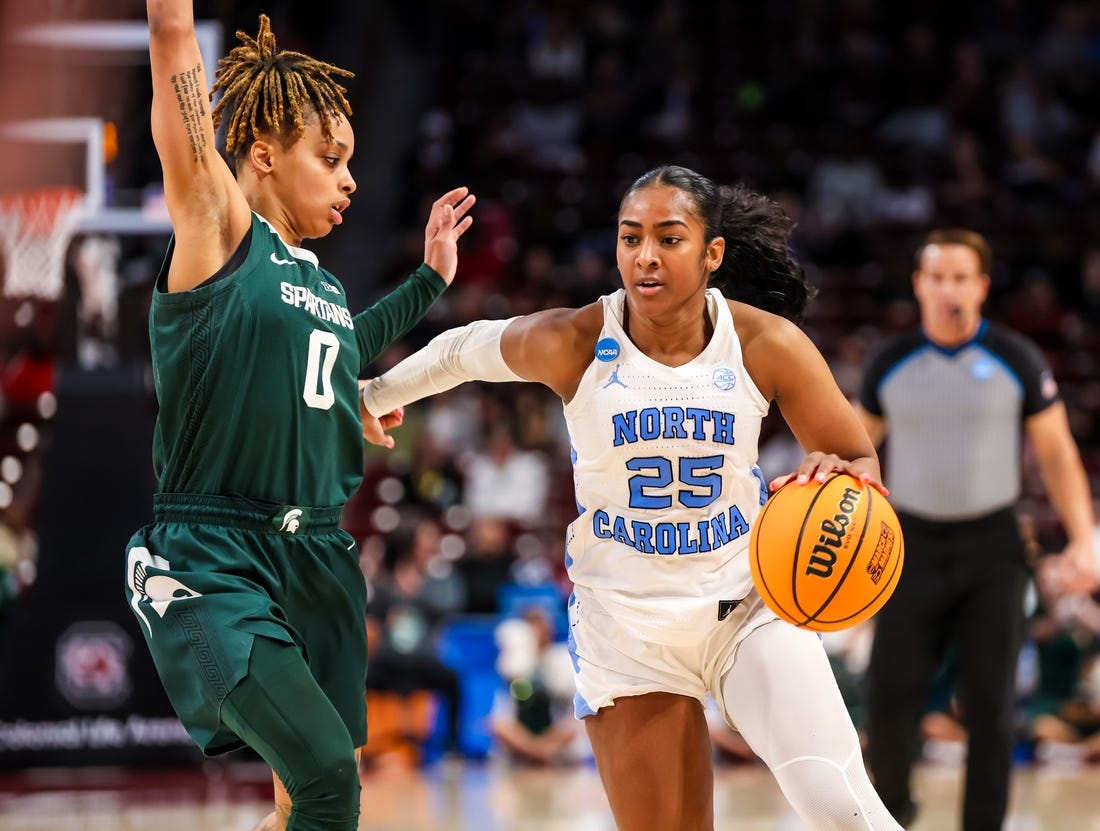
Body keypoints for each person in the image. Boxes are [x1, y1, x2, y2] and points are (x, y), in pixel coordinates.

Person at [361, 164, 904, 830]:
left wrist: (839, 471)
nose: (644, 256)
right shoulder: (580, 341)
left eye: (668, 238)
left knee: (843, 808)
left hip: (746, 606)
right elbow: (461, 350)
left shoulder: (766, 343)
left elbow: (858, 458)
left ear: (713, 253)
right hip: (627, 628)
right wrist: (371, 397)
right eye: (630, 237)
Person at [124, 6, 474, 831]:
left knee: (303, 798)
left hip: (315, 554)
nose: (348, 178)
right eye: (331, 157)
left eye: (351, 161)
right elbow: (173, 41)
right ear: (264, 152)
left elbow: (342, 350)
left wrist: (428, 283)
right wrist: (172, 21)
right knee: (325, 781)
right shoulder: (218, 230)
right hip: (214, 558)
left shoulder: (317, 283)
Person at [857, 228, 1097, 830]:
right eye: (936, 277)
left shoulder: (1017, 358)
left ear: (982, 286)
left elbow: (1058, 455)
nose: (948, 289)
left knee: (991, 707)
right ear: (918, 285)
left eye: (960, 277)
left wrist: (1086, 537)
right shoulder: (890, 362)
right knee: (891, 700)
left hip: (995, 548)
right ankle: (894, 818)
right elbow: (854, 451)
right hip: (908, 546)